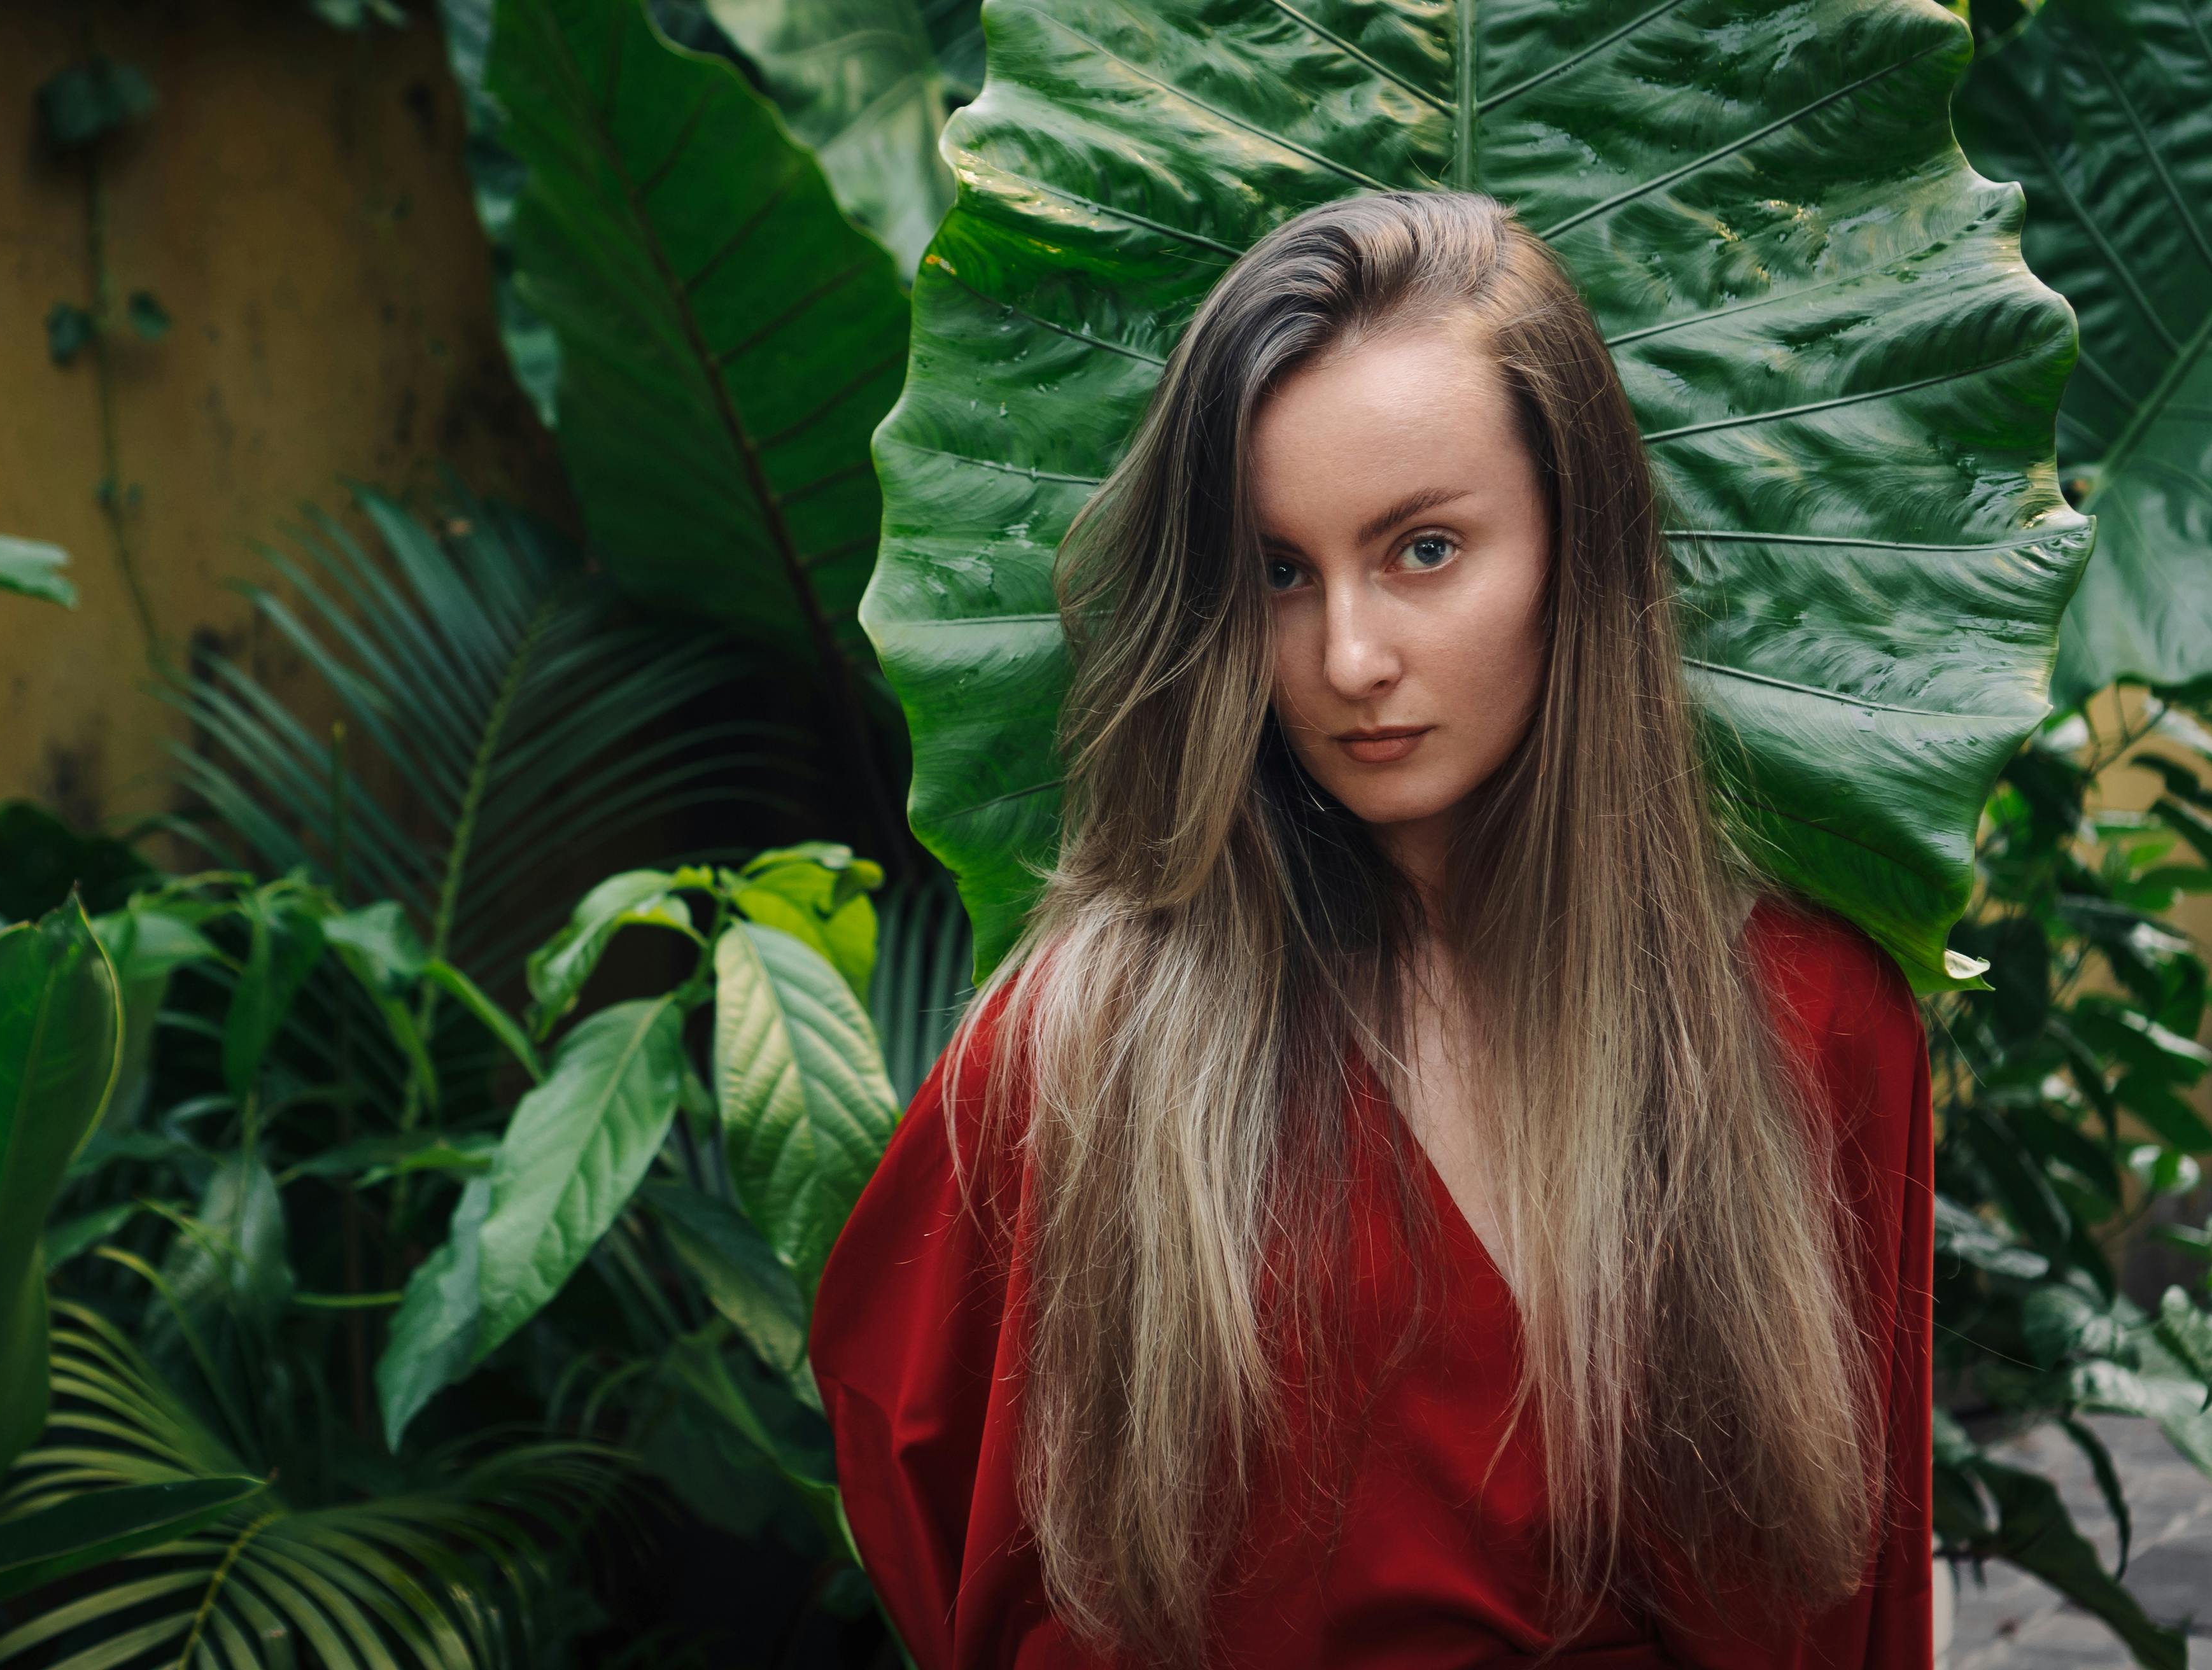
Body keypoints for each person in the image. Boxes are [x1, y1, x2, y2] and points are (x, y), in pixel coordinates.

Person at [808, 192, 1934, 1667]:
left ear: (1577, 551)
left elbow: (1872, 1588)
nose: (1348, 658)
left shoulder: (1814, 1021)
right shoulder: (1089, 1046)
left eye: (1422, 552)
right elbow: (926, 1476)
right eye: (1280, 571)